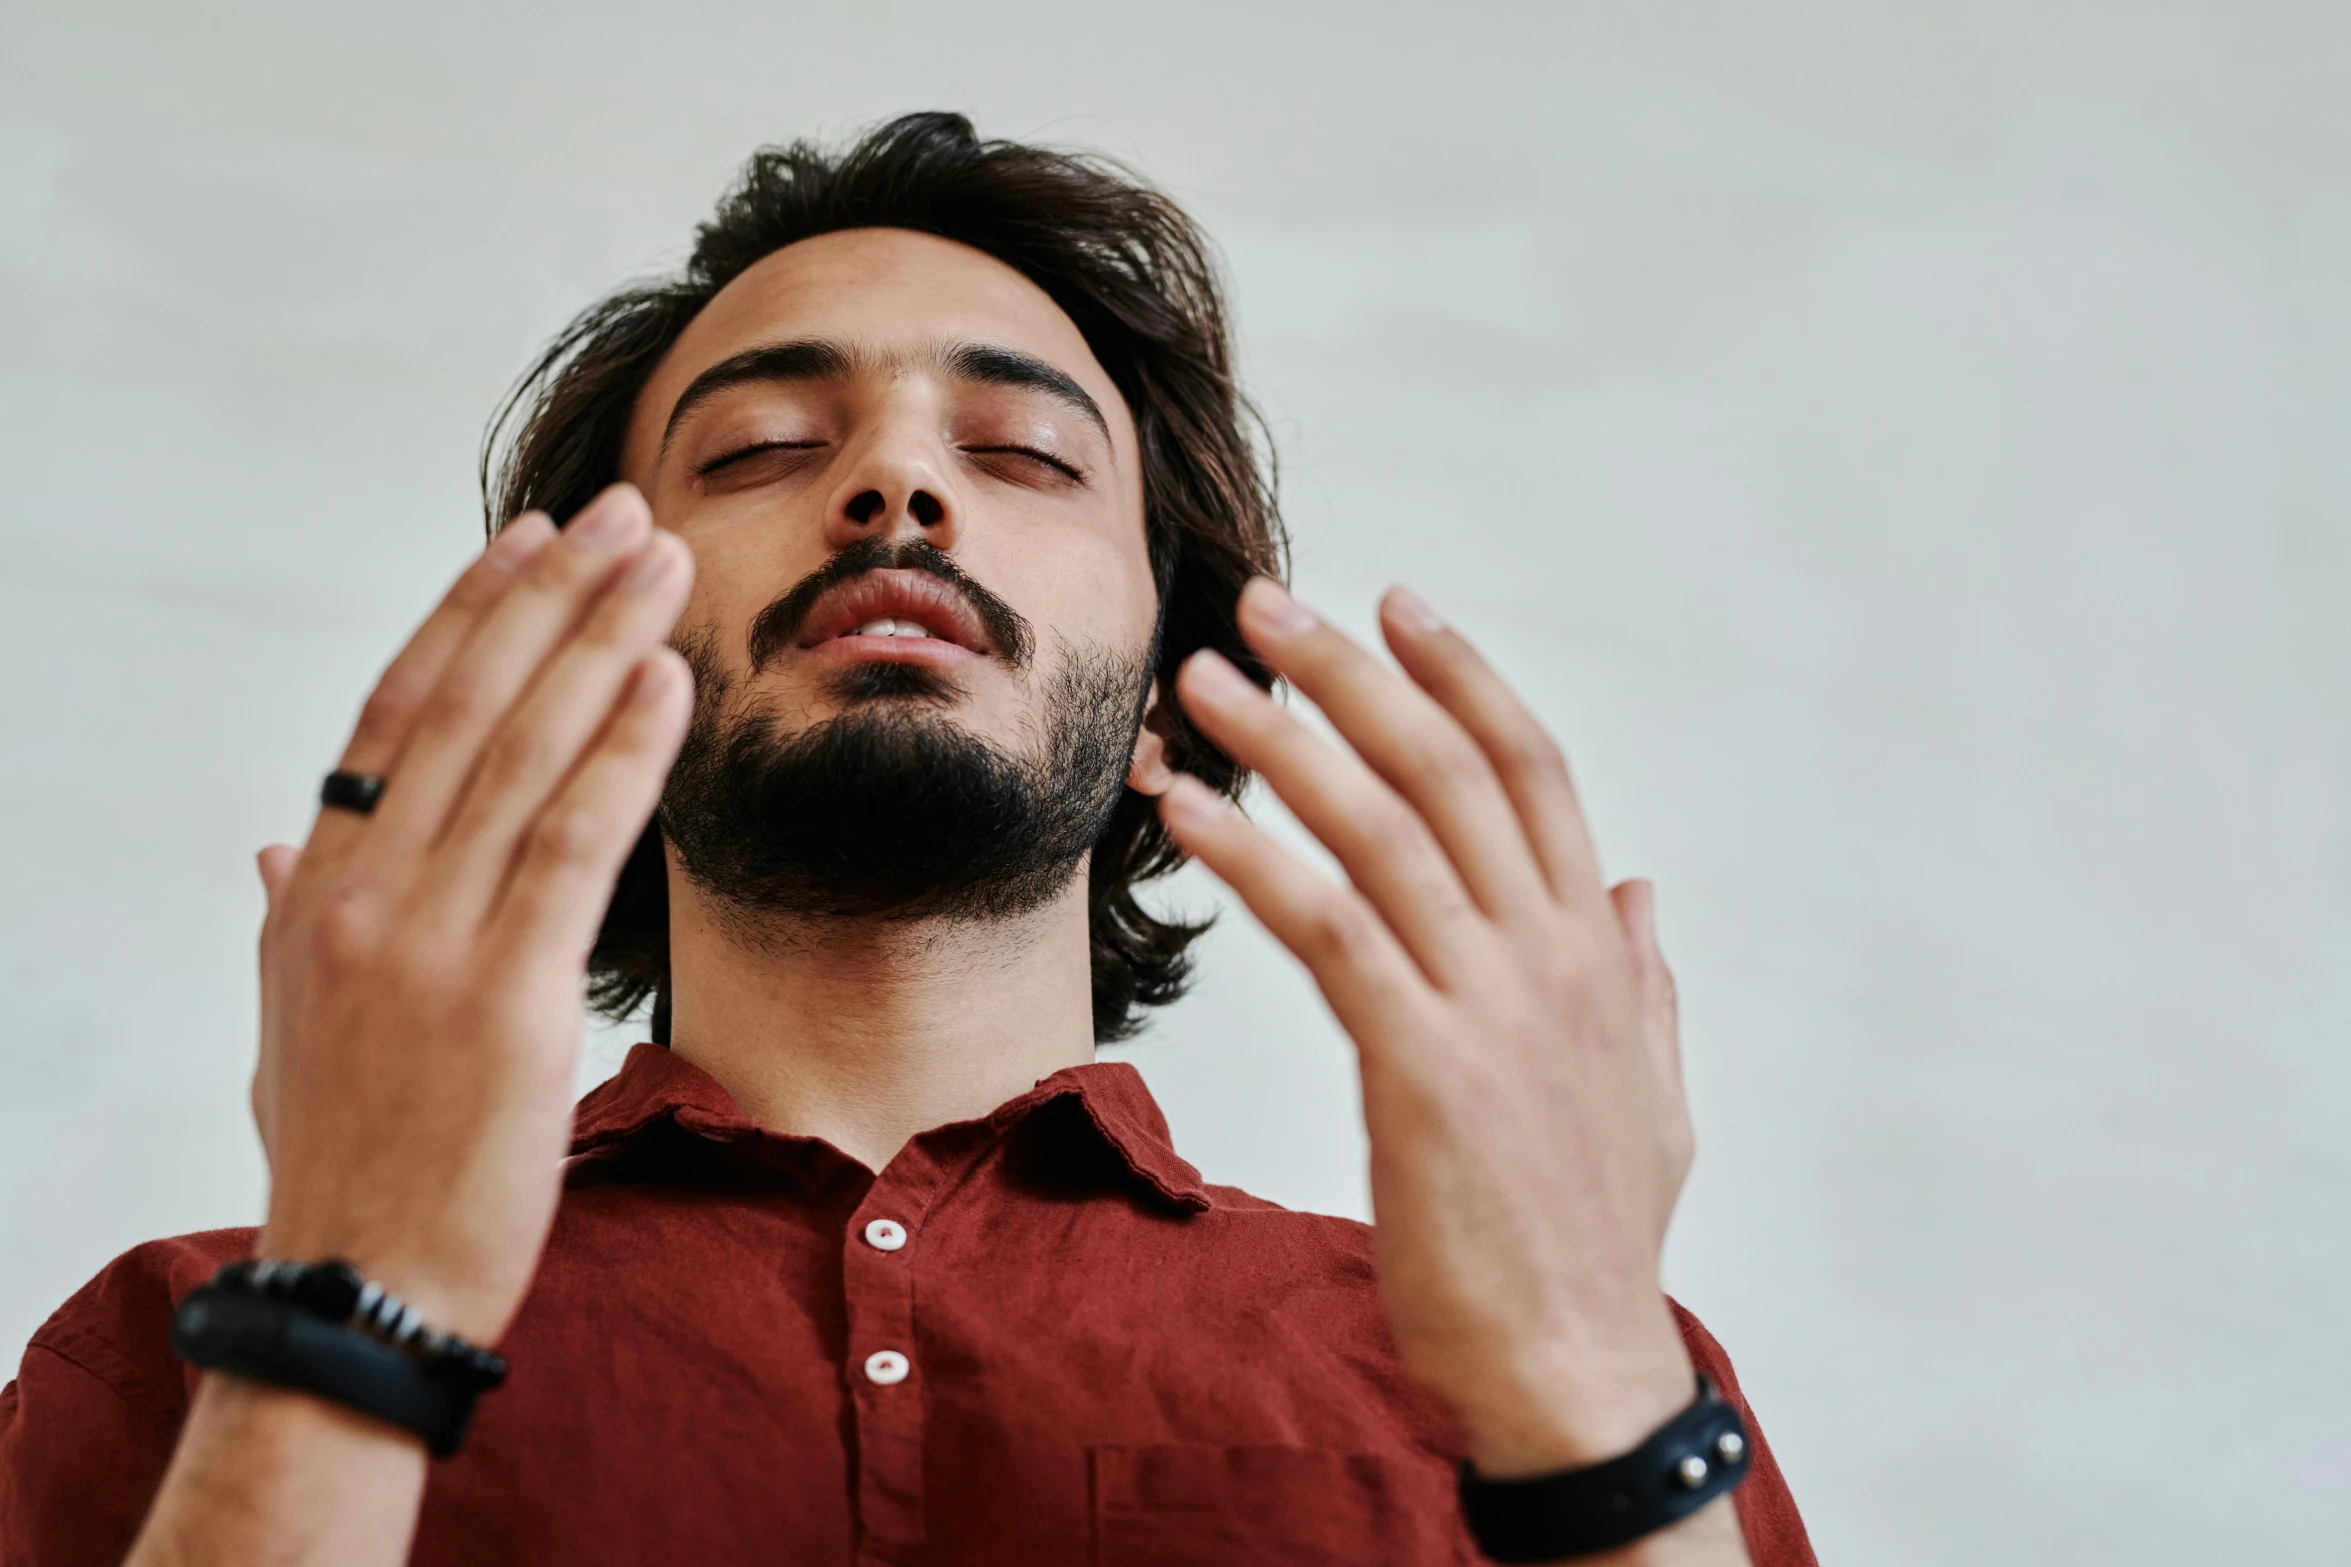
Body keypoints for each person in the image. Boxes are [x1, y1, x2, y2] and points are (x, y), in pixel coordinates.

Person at [0, 114, 1815, 1566]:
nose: (896, 482)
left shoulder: (1568, 1372)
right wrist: (339, 1325)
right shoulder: (172, 1347)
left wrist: (1593, 1414)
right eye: (763, 445)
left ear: (1168, 702)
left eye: (1023, 452)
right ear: (588, 658)